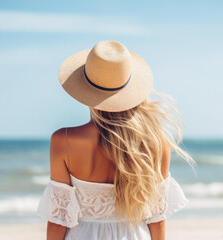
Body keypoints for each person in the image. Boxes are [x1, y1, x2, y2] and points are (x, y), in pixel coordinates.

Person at [36, 40, 195, 240]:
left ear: (85, 90)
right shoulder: (156, 143)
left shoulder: (63, 140)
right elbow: (157, 219)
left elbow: (59, 220)